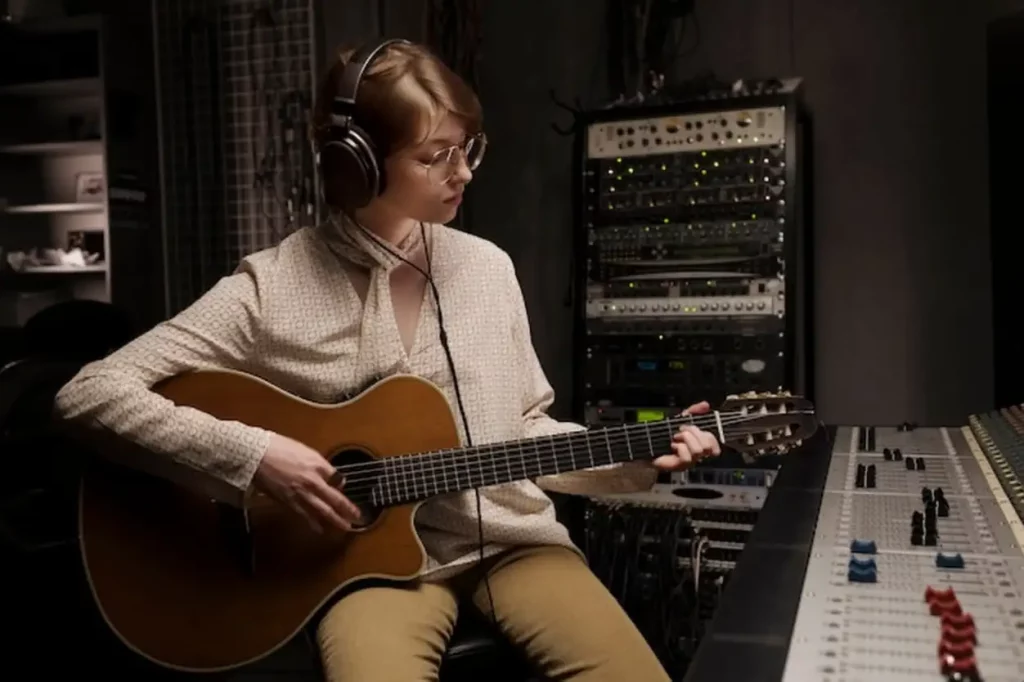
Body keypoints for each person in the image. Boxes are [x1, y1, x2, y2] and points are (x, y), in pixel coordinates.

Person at [53, 39, 721, 682]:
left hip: (513, 544)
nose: (462, 172)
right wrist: (256, 457)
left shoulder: (488, 270)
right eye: (436, 156)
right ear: (359, 164)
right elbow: (88, 394)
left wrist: (636, 458)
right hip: (368, 567)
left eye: (468, 150)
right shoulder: (271, 287)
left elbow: (518, 431)